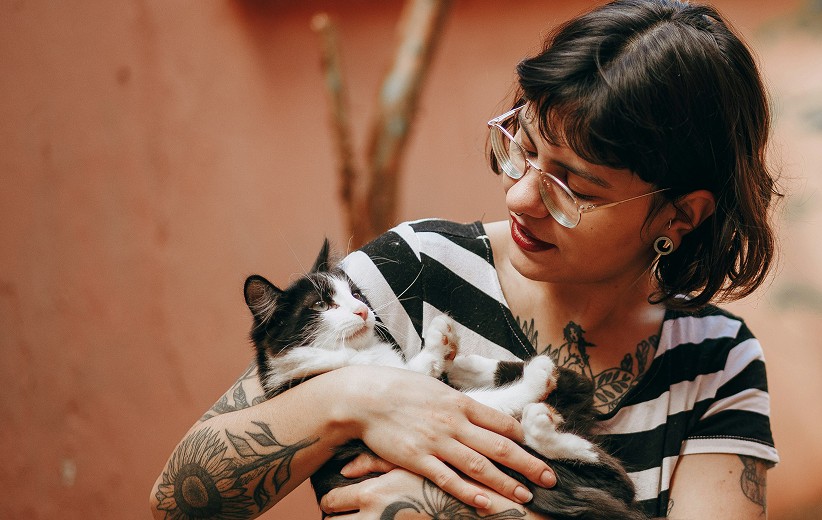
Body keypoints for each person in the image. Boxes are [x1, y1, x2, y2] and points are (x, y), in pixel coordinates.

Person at [149, 0, 782, 518]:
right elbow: (178, 500)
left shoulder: (715, 361)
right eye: (523, 148)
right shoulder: (416, 271)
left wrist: (463, 510)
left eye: (575, 188)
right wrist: (359, 395)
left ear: (680, 215)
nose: (520, 197)